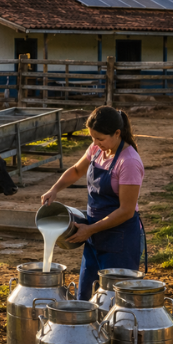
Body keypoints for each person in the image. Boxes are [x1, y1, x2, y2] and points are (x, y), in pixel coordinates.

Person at [41, 106, 145, 300]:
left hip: (120, 240)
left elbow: (126, 211)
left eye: (100, 139)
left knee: (114, 303)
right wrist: (54, 189)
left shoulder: (129, 162)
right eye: (92, 138)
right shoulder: (97, 150)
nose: (96, 143)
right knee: (87, 297)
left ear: (117, 133)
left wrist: (90, 229)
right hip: (94, 237)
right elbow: (76, 170)